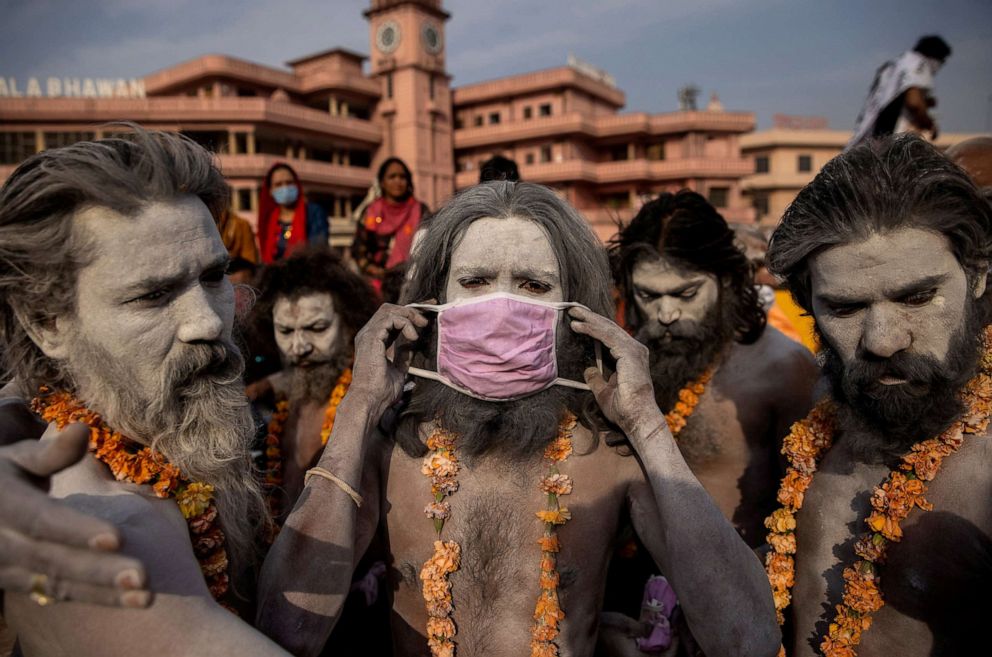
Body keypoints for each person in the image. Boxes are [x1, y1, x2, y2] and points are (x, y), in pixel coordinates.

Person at [256, 181, 780, 657]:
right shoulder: (390, 449)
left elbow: (747, 639)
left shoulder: (610, 456)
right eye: (476, 281)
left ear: (578, 311)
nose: (500, 307)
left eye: (533, 285)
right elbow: (288, 630)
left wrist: (646, 425)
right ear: (433, 302)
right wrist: (358, 409)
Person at [0, 129, 290, 655]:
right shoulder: (96, 538)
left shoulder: (176, 438)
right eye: (153, 295)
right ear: (49, 324)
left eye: (213, 276)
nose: (207, 322)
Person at [764, 134, 992, 656]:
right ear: (809, 307)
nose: (883, 339)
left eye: (917, 297)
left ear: (977, 276)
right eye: (845, 309)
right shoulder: (823, 423)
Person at [611, 191, 819, 546]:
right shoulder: (623, 361)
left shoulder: (784, 368)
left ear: (726, 280)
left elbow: (808, 515)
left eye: (686, 294)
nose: (665, 315)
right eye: (648, 296)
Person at [245, 246, 377, 520]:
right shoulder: (283, 404)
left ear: (350, 325)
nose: (299, 346)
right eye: (285, 331)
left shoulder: (373, 404)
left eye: (316, 328)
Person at [848, 35, 951, 150]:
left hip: (867, 141)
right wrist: (929, 123)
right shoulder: (919, 64)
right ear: (935, 55)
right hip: (887, 143)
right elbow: (914, 102)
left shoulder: (895, 65)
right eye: (942, 61)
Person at [351, 157, 428, 290]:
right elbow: (359, 251)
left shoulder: (421, 211)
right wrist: (379, 273)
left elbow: (430, 247)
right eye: (392, 177)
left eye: (402, 177)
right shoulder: (371, 211)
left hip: (414, 283)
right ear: (382, 183)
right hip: (378, 284)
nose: (398, 181)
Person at [257, 162, 329, 264]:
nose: (285, 188)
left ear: (297, 185)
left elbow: (318, 251)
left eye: (289, 182)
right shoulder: (270, 219)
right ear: (270, 191)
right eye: (278, 184)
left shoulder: (313, 213)